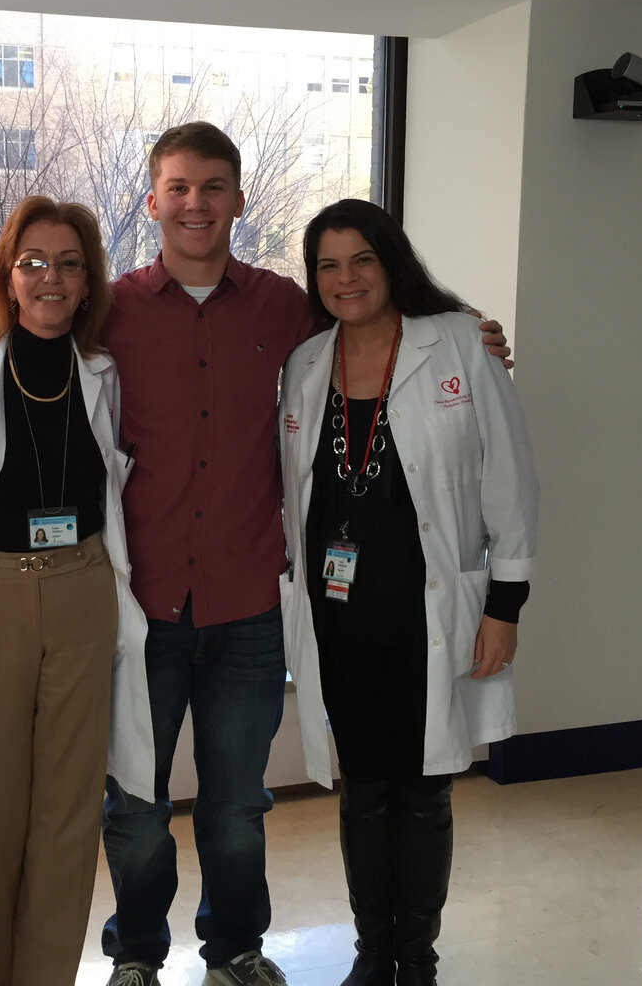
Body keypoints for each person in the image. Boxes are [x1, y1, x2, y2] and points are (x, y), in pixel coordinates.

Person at [98, 123, 512, 986]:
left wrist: (474, 335)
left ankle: (236, 951)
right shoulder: (111, 312)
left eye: (214, 187)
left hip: (250, 601)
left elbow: (394, 330)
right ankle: (137, 955)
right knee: (136, 802)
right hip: (144, 606)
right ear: (152, 201)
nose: (195, 203)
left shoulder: (287, 309)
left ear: (239, 201)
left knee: (238, 805)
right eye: (178, 187)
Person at [278, 199, 538, 986]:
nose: (346, 278)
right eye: (328, 264)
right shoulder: (304, 365)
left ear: (392, 262)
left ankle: (416, 958)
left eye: (362, 260)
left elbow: (512, 483)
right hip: (339, 620)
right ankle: (371, 950)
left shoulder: (459, 344)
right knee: (362, 789)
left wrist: (505, 606)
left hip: (430, 615)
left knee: (423, 789)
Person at [0, 196, 154, 985]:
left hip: (84, 589)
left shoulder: (104, 371)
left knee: (68, 812)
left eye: (68, 264)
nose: (50, 278)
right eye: (32, 263)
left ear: (89, 281)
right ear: (7, 276)